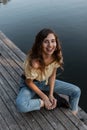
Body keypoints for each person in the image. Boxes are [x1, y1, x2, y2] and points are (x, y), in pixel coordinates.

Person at [16, 28, 81, 115]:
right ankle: (48, 103)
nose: (50, 45)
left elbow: (52, 75)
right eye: (46, 41)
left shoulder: (56, 55)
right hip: (31, 85)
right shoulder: (33, 61)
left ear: (56, 42)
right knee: (21, 105)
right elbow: (28, 82)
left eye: (53, 41)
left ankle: (73, 113)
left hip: (45, 82)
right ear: (40, 44)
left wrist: (50, 94)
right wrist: (45, 99)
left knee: (76, 91)